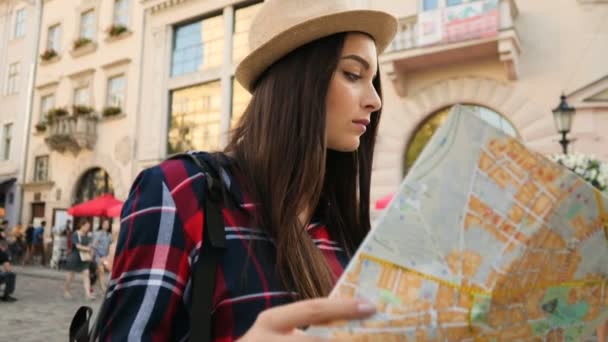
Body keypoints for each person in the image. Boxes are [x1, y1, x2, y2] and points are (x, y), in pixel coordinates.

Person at [98, 0, 397, 340]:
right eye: (353, 75)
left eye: (373, 81)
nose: (375, 100)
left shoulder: (340, 224)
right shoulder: (180, 191)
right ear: (296, 78)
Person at [63, 218, 95, 300]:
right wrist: (88, 249)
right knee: (70, 276)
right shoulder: (75, 234)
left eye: (89, 226)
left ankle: (88, 294)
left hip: (84, 258)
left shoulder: (88, 235)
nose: (88, 228)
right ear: (82, 225)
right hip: (75, 257)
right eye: (87, 226)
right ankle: (66, 291)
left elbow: (90, 245)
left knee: (86, 275)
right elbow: (77, 246)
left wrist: (91, 252)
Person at [91, 219, 112, 292]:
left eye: (107, 224)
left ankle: (97, 283)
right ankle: (103, 287)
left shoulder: (109, 235)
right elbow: (93, 245)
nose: (106, 225)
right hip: (98, 256)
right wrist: (92, 256)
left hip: (105, 257)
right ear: (102, 225)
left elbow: (110, 246)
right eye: (104, 224)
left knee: (107, 269)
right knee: (101, 270)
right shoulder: (97, 233)